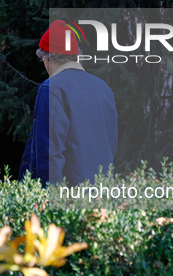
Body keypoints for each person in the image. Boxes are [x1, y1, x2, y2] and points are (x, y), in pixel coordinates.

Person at [19, 19, 118, 187]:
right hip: (103, 197)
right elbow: (112, 144)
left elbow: (49, 155)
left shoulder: (51, 89)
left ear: (47, 58)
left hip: (69, 202)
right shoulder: (104, 88)